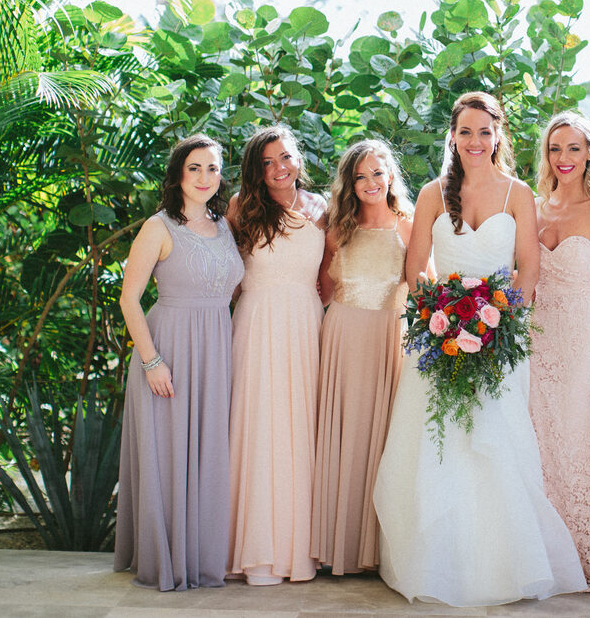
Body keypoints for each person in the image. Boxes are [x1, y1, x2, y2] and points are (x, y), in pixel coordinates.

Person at [374, 91, 586, 606]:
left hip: (500, 341)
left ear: (499, 136)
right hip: (440, 341)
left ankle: (501, 565)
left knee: (495, 443)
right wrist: (437, 319)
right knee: (438, 445)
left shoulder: (517, 195)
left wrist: (499, 325)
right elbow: (416, 268)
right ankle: (437, 563)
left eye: (484, 132)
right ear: (453, 135)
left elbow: (529, 270)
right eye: (465, 132)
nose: (475, 142)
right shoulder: (430, 195)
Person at [114, 134, 243, 591]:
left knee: (207, 455)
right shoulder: (159, 227)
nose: (205, 177)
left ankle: (200, 559)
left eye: (212, 168)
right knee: (168, 457)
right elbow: (129, 298)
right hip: (168, 351)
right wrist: (152, 362)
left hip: (214, 351)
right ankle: (165, 561)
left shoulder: (224, 225)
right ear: (177, 174)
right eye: (194, 168)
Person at [227, 125, 327, 585]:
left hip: (307, 324)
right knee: (258, 425)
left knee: (301, 426)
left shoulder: (321, 208)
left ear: (297, 158)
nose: (278, 168)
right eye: (266, 162)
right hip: (256, 321)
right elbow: (223, 274)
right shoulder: (240, 209)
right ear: (255, 170)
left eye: (284, 157)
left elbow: (330, 278)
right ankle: (256, 552)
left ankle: (297, 550)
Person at [529, 112, 590, 593]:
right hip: (535, 341)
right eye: (554, 149)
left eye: (573, 148)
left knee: (580, 446)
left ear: (589, 152)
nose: (563, 158)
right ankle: (543, 554)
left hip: (586, 339)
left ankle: (588, 559)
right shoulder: (534, 207)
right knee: (538, 448)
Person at [311, 139, 413, 575]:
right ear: (349, 183)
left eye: (377, 173)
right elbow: (321, 287)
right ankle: (338, 548)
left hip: (389, 337)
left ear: (390, 175)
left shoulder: (407, 226)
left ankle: (376, 551)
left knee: (383, 437)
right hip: (343, 336)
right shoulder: (336, 228)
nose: (370, 183)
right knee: (342, 436)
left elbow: (424, 282)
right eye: (360, 176)